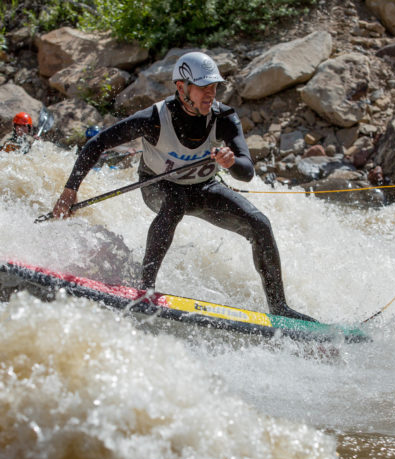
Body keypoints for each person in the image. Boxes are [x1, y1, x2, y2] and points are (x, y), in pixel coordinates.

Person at [52, 52, 316, 322]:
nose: (210, 94)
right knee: (175, 202)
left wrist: (231, 161)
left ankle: (279, 307)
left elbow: (246, 172)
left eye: (214, 87)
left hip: (204, 187)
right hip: (157, 186)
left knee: (259, 223)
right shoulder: (154, 118)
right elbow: (96, 144)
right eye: (203, 88)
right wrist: (69, 191)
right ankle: (145, 289)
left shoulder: (223, 117)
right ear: (182, 88)